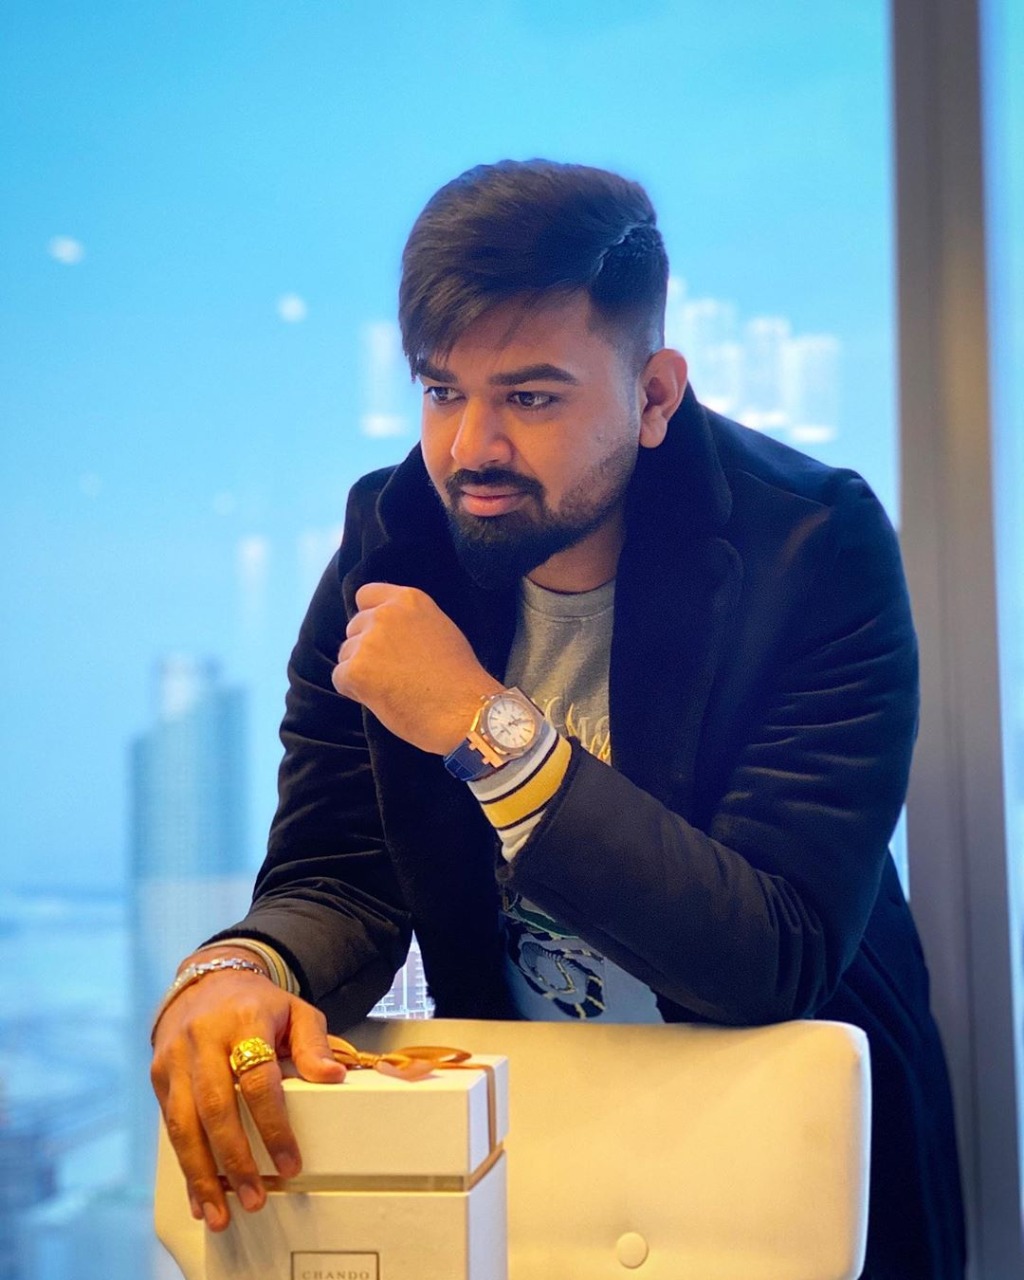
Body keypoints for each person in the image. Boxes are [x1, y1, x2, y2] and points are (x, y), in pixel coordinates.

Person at [150, 159, 965, 1276]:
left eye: (530, 398)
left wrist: (485, 726)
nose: (469, 449)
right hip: (537, 1135)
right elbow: (338, 871)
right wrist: (242, 969)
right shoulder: (391, 545)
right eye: (443, 391)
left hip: (793, 1139)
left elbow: (774, 952)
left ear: (654, 395)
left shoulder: (812, 547)